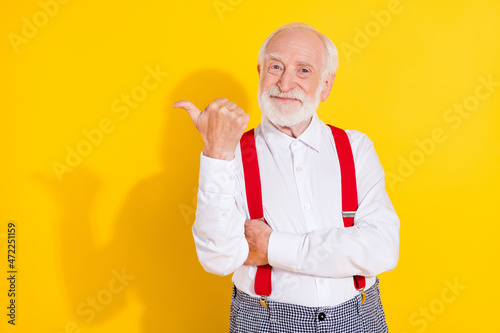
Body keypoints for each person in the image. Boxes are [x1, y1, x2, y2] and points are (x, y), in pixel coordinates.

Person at [174, 22, 400, 333]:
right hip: (264, 321)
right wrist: (215, 152)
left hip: (359, 319)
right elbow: (218, 259)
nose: (285, 82)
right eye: (275, 66)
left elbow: (382, 248)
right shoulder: (230, 154)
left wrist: (272, 247)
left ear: (325, 85)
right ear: (260, 72)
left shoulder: (355, 147)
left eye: (304, 71)